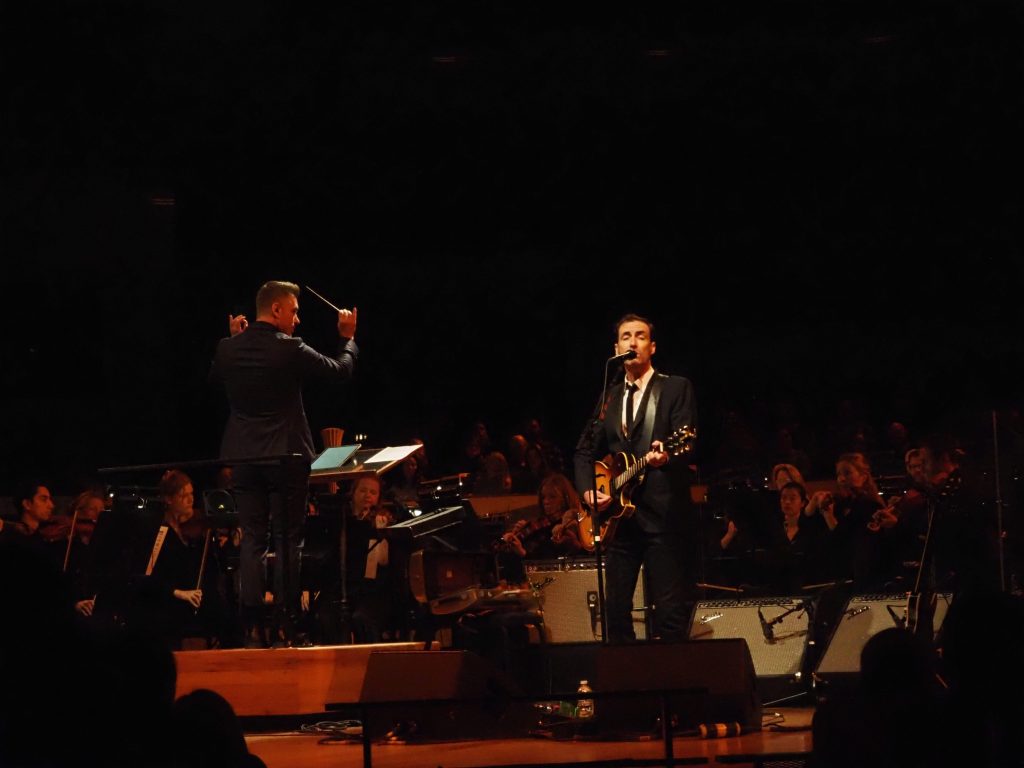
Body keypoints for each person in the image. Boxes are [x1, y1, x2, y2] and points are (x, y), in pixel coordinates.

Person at [209, 280, 358, 647]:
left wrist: (233, 340)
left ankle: (250, 626)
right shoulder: (289, 348)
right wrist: (348, 337)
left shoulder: (227, 349)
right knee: (289, 539)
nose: (297, 319)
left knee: (253, 539)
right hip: (285, 456)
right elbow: (340, 370)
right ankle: (287, 625)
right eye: (293, 311)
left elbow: (215, 381)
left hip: (244, 456)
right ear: (275, 310)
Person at [573, 313, 698, 642]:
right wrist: (589, 492)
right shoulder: (610, 396)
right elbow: (584, 452)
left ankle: (671, 684)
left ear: (652, 346)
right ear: (617, 347)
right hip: (619, 521)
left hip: (662, 515)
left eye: (640, 336)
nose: (633, 342)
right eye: (626, 336)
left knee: (669, 612)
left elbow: (688, 442)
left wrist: (667, 454)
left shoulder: (674, 387)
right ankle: (629, 683)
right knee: (614, 610)